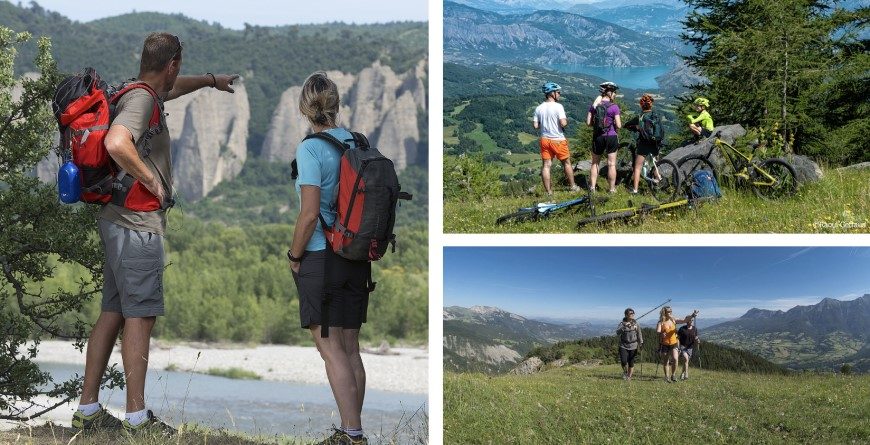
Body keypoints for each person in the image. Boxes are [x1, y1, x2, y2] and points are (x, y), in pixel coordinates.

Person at [72, 33, 239, 435]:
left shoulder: (137, 90)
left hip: (115, 219)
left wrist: (210, 80)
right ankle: (136, 418)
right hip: (136, 225)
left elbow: (171, 89)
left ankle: (88, 410)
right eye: (178, 67)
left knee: (113, 313)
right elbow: (116, 142)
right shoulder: (144, 100)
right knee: (140, 316)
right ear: (172, 64)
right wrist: (154, 182)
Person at [288, 71, 372, 445]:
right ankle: (353, 429)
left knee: (329, 346)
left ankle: (350, 434)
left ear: (306, 108)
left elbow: (308, 214)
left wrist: (294, 255)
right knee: (351, 347)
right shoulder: (358, 141)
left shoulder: (310, 148)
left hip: (322, 257)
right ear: (336, 105)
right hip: (356, 257)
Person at [533, 82, 580, 197]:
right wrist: (565, 122)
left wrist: (544, 124)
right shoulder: (559, 107)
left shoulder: (538, 108)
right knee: (567, 163)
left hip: (544, 139)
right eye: (558, 92)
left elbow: (535, 126)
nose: (559, 94)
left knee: (546, 166)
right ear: (552, 93)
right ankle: (573, 187)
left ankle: (548, 192)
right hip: (558, 140)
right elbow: (563, 123)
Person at [586, 82, 622, 193]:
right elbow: (619, 125)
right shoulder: (614, 107)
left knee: (595, 163)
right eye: (614, 92)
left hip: (598, 137)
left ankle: (592, 188)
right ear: (609, 93)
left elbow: (588, 123)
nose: (615, 94)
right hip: (611, 137)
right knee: (611, 164)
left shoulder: (595, 106)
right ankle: (611, 189)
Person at [624, 94, 662, 194]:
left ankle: (635, 190)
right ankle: (658, 183)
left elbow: (627, 124)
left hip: (644, 144)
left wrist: (630, 127)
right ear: (651, 105)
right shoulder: (655, 115)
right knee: (653, 164)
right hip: (655, 144)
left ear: (641, 105)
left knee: (637, 167)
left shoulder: (640, 117)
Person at [656, 306, 699, 383]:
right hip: (664, 344)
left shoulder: (673, 320)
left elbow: (684, 320)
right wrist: (662, 333)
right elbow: (658, 331)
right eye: (668, 311)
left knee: (675, 359)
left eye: (671, 311)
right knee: (666, 361)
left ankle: (673, 375)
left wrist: (692, 315)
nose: (670, 313)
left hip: (674, 343)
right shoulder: (661, 322)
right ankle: (667, 377)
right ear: (664, 312)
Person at [616, 308, 643, 381]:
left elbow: (639, 334)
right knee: (623, 361)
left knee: (631, 362)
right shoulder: (622, 323)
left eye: (633, 313)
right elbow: (617, 333)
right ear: (626, 315)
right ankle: (625, 372)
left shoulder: (636, 323)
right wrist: (624, 327)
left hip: (634, 345)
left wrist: (641, 343)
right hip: (623, 345)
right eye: (630, 313)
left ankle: (629, 377)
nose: (632, 314)